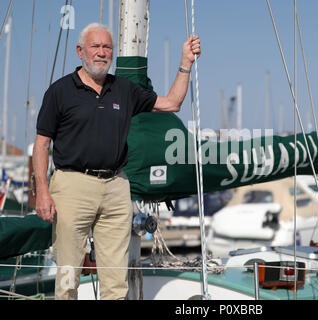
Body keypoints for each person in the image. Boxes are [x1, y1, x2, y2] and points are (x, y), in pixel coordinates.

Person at [33, 22, 201, 300]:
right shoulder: (60, 91)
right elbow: (41, 144)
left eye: (107, 47)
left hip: (116, 186)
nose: (101, 53)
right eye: (95, 46)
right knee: (67, 276)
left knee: (116, 280)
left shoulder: (124, 90)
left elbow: (172, 103)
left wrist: (185, 62)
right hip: (72, 185)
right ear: (80, 51)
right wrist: (42, 191)